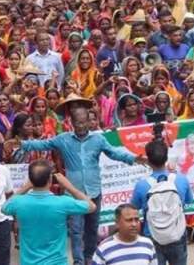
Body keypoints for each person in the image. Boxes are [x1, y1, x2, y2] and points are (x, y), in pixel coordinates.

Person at [20, 107, 140, 265]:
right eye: (78, 123)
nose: (81, 126)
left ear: (89, 122)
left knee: (92, 228)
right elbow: (43, 144)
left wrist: (135, 158)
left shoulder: (98, 140)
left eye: (84, 122)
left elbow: (114, 152)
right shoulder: (63, 139)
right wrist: (21, 144)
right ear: (71, 123)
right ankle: (78, 261)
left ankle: (89, 256)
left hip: (94, 192)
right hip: (74, 195)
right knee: (76, 231)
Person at [2, 159, 96, 265]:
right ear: (50, 180)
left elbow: (4, 207)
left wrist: (26, 187)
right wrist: (70, 187)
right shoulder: (63, 203)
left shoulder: (19, 202)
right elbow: (91, 206)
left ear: (30, 180)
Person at [130, 140, 192, 265]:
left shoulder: (141, 185)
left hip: (152, 235)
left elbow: (133, 207)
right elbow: (189, 200)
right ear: (166, 157)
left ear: (148, 160)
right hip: (177, 234)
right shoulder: (181, 179)